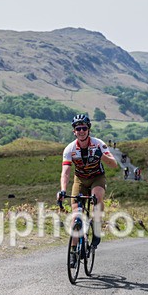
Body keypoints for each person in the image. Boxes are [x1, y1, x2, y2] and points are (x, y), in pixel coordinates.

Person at [57, 114, 119, 266]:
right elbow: (65, 172)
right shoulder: (70, 149)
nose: (81, 131)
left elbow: (114, 164)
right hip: (80, 180)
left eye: (84, 128)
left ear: (88, 129)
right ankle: (73, 252)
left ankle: (96, 225)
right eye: (78, 128)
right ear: (74, 131)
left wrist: (102, 157)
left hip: (97, 177)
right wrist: (63, 190)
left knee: (96, 198)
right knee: (75, 216)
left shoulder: (98, 144)